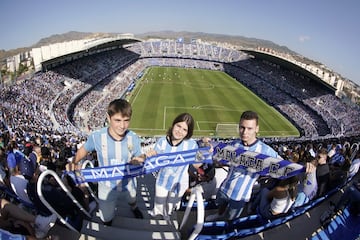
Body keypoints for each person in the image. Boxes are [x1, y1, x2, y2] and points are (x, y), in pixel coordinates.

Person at [71, 99, 145, 225]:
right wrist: (75, 161)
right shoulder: (97, 137)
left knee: (132, 199)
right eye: (118, 120)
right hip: (106, 186)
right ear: (108, 117)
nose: (122, 126)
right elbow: (84, 149)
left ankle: (134, 207)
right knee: (106, 217)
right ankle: (108, 222)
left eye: (126, 120)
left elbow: (140, 154)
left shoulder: (133, 137)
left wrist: (140, 159)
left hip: (128, 183)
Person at [206, 111, 284, 221]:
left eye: (249, 128)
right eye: (242, 127)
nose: (244, 132)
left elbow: (284, 166)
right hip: (225, 187)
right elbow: (218, 157)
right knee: (221, 206)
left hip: (240, 196)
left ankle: (226, 229)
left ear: (257, 129)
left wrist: (307, 167)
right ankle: (219, 214)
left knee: (231, 219)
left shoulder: (265, 151)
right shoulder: (234, 144)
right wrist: (206, 146)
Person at [146, 113, 199, 220]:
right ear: (173, 125)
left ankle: (167, 219)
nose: (180, 131)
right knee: (158, 206)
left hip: (178, 184)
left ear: (188, 133)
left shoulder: (191, 145)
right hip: (162, 180)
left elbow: (197, 164)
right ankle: (157, 220)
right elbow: (155, 159)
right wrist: (151, 155)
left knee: (170, 207)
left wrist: (207, 153)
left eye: (184, 129)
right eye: (178, 126)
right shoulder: (162, 141)